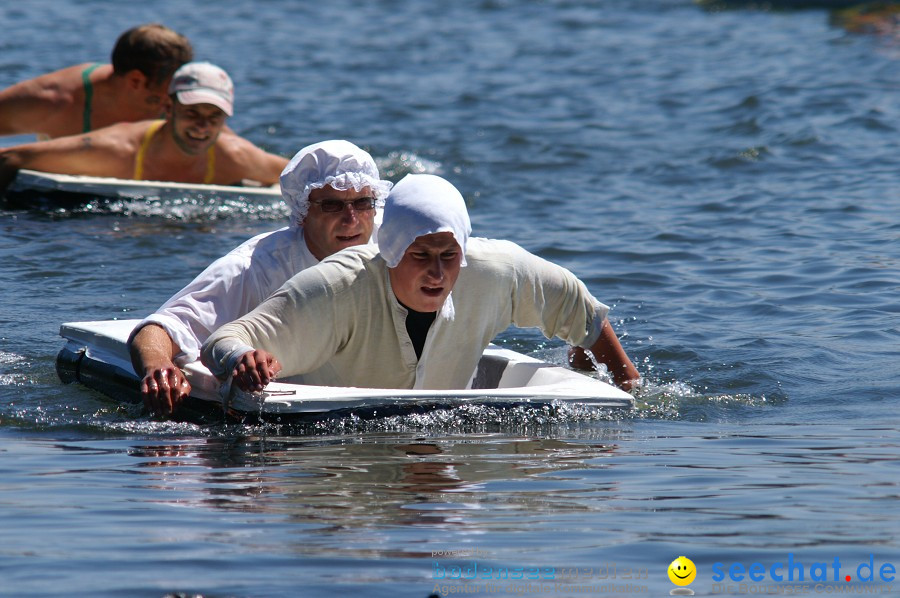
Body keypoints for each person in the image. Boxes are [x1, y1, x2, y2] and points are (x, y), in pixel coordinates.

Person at [200, 173, 641, 395]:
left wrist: (623, 387)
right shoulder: (333, 288)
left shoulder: (496, 269)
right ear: (390, 251)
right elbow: (223, 338)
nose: (437, 273)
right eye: (420, 256)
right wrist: (242, 357)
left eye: (449, 257)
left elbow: (581, 311)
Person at [127, 139, 393, 417]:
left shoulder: (400, 246)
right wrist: (158, 367)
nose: (351, 219)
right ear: (303, 212)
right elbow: (161, 328)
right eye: (332, 206)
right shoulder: (254, 266)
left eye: (362, 202)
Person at [0, 61, 288, 194]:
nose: (203, 126)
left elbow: (304, 174)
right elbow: (10, 157)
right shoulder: (114, 150)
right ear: (168, 109)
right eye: (192, 112)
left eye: (214, 116)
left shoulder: (235, 157)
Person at [0, 23, 193, 139]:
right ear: (135, 81)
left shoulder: (186, 101)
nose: (174, 102)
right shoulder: (53, 101)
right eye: (168, 93)